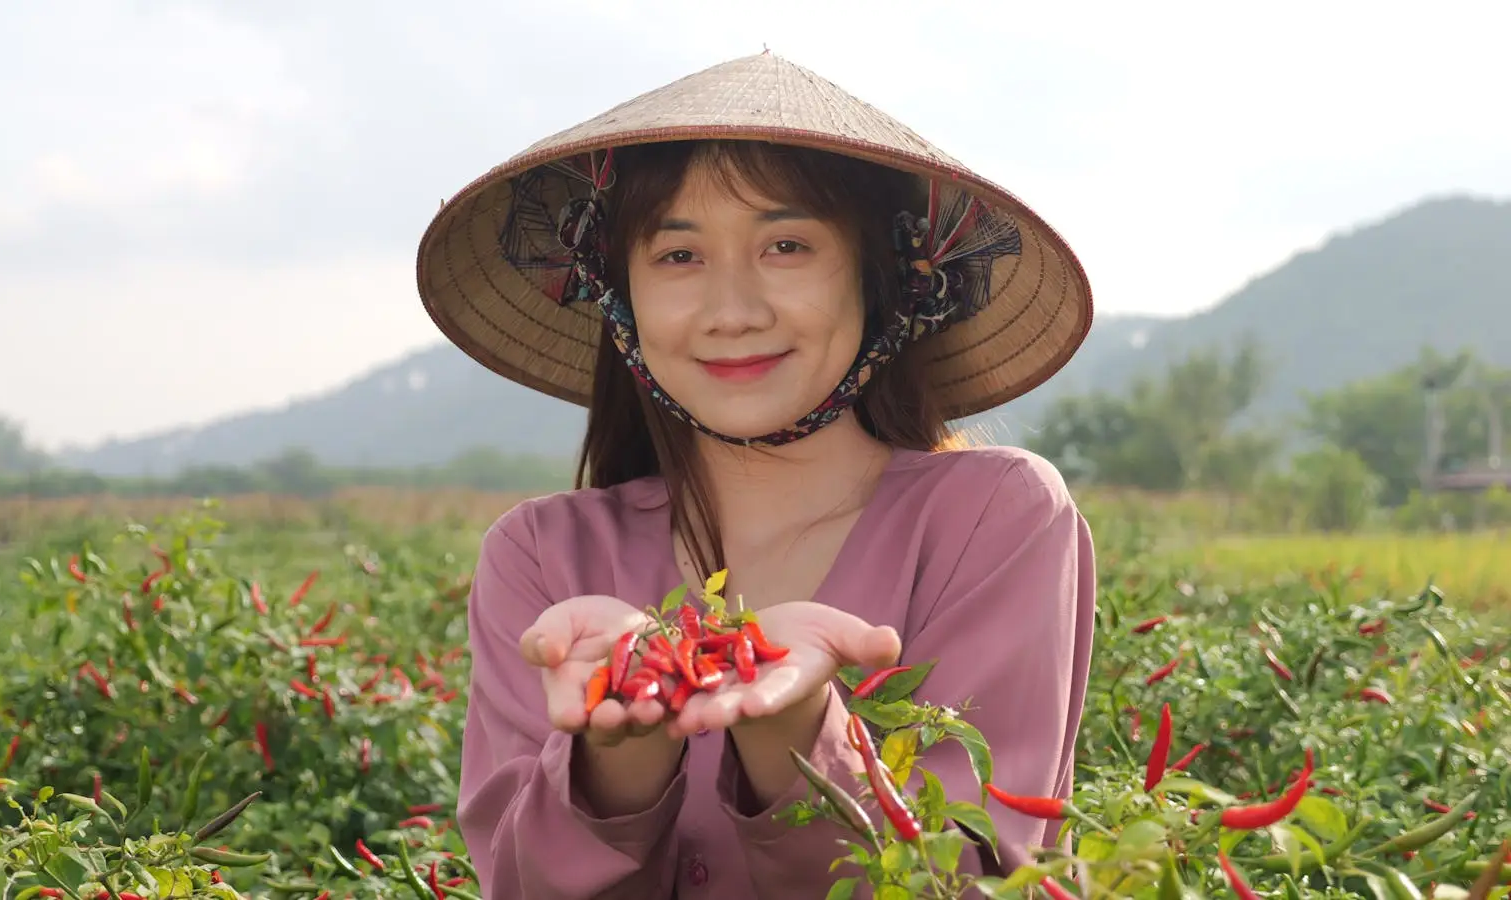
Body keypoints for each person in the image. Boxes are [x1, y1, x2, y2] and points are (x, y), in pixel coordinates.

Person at [415, 51, 1097, 900]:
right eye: (677, 257)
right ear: (617, 292)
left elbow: (964, 878)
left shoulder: (995, 517)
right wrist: (615, 758)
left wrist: (801, 733)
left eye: (787, 245)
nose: (734, 310)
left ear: (879, 276)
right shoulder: (543, 557)